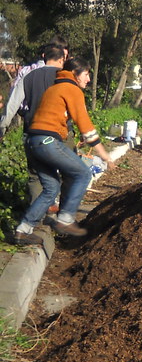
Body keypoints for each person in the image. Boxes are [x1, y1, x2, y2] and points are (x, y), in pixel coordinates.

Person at [10, 57, 111, 245]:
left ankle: (23, 230)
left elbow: (52, 117)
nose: (88, 79)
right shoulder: (71, 89)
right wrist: (103, 154)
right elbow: (84, 123)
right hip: (47, 142)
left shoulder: (53, 88)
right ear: (75, 74)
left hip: (32, 142)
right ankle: (65, 219)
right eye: (87, 74)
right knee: (82, 173)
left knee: (51, 188)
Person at [0, 37, 69, 138]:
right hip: (57, 131)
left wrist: (3, 126)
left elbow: (13, 103)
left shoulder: (27, 74)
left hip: (32, 128)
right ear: (61, 58)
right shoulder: (64, 76)